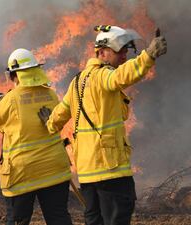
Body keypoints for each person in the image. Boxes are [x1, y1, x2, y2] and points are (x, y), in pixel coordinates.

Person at [38, 25, 167, 225]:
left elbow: (58, 117)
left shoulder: (77, 81)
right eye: (119, 51)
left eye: (126, 50)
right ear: (101, 52)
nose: (124, 55)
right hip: (111, 171)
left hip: (88, 175)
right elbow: (122, 76)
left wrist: (49, 122)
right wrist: (148, 55)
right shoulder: (104, 76)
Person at [0, 48, 73, 225]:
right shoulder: (50, 94)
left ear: (14, 74)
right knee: (58, 218)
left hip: (23, 175)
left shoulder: (11, 99)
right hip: (54, 171)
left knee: (18, 221)